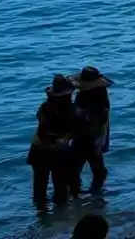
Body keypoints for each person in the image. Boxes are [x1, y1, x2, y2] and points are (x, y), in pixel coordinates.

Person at [27, 75, 79, 209]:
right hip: (58, 151)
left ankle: (41, 219)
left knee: (39, 188)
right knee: (60, 188)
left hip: (38, 149)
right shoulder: (71, 109)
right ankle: (60, 220)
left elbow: (42, 124)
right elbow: (74, 130)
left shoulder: (44, 107)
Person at [69, 66, 113, 195]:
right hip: (95, 135)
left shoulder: (84, 97)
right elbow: (103, 120)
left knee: (75, 167)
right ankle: (97, 194)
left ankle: (76, 194)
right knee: (96, 165)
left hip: (85, 136)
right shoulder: (101, 96)